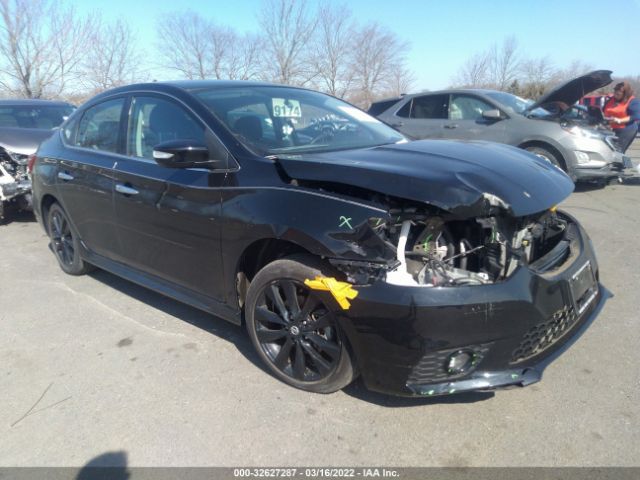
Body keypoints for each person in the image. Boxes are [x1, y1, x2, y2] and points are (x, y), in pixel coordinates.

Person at [603, 81, 640, 154]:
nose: (615, 95)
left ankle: (621, 164)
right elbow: (604, 110)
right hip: (611, 129)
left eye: (618, 94)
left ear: (625, 94)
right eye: (615, 93)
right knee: (608, 150)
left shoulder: (633, 101)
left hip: (626, 130)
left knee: (618, 152)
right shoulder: (611, 100)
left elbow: (636, 116)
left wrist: (619, 120)